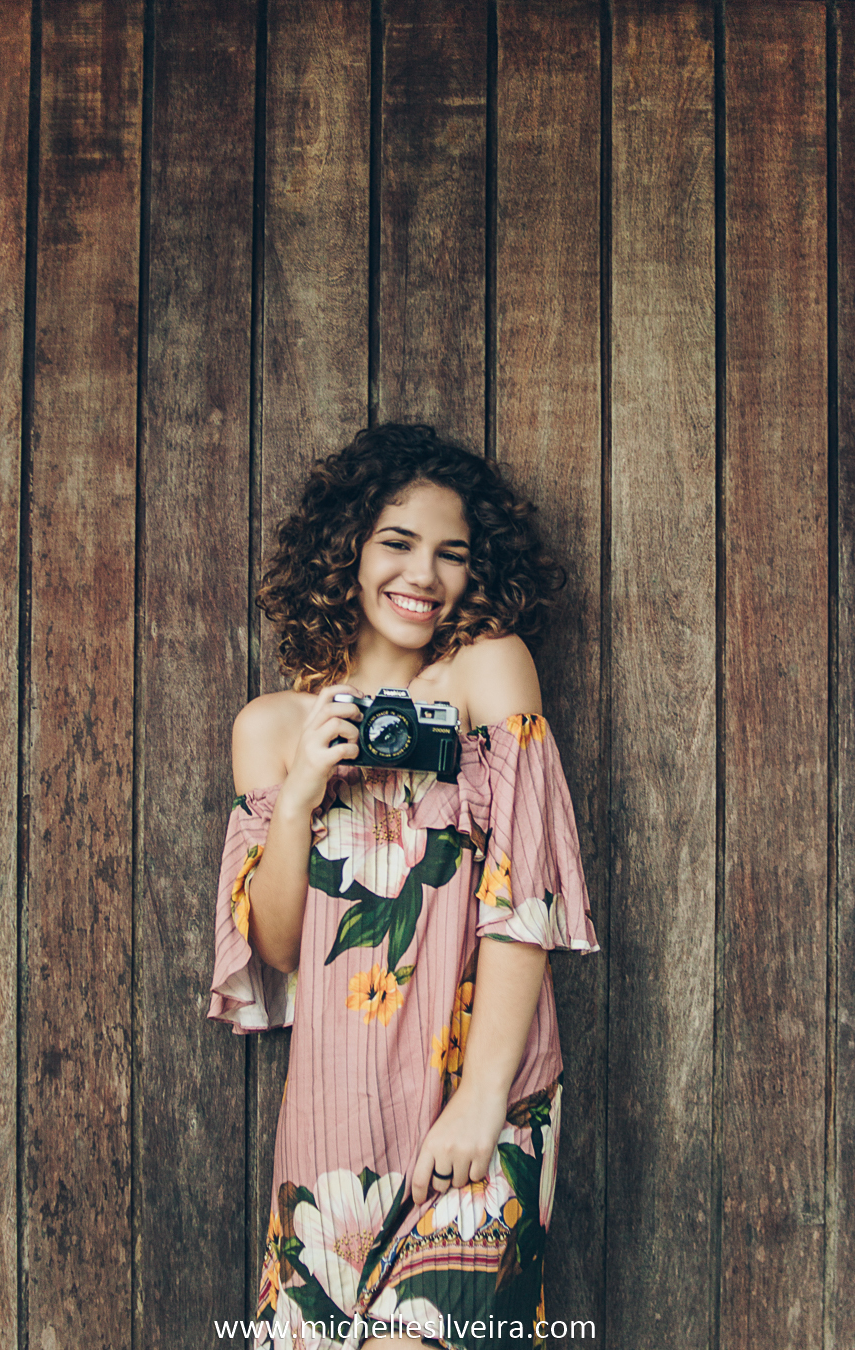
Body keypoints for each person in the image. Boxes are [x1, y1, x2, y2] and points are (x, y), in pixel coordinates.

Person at [209, 424, 598, 1350]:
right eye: (398, 542)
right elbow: (275, 949)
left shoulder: (486, 671)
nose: (425, 574)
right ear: (345, 550)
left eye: (452, 554)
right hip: (332, 1129)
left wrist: (483, 1098)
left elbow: (524, 899)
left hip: (477, 1102)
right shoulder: (271, 727)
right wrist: (302, 791)